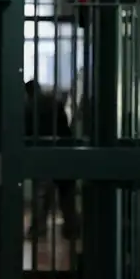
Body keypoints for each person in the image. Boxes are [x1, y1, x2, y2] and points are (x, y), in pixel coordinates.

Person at [24, 80, 82, 240]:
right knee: (67, 194)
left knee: (42, 195)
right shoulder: (55, 103)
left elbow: (27, 132)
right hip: (62, 152)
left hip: (41, 155)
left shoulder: (28, 107)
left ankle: (38, 229)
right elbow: (65, 128)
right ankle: (71, 228)